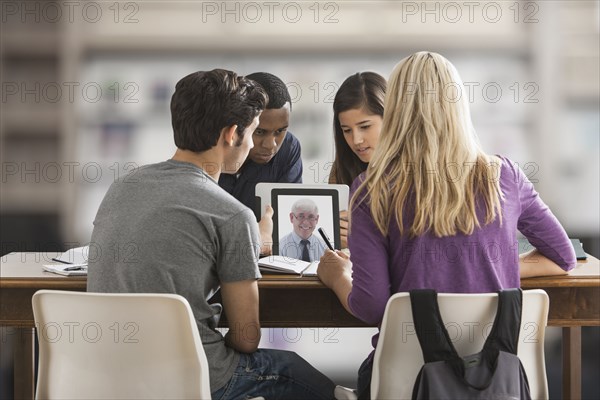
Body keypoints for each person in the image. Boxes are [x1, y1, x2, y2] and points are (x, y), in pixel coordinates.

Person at [317, 52, 577, 399]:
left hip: (409, 382)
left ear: (394, 111)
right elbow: (563, 257)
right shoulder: (506, 176)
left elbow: (373, 305)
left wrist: (337, 277)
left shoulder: (371, 189)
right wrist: (485, 262)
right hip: (498, 379)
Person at [88, 69, 335, 400]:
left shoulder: (120, 187)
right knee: (296, 374)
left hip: (107, 376)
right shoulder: (232, 214)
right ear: (232, 134)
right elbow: (246, 338)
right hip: (193, 377)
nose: (256, 145)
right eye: (252, 133)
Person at [219, 72, 302, 215]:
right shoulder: (213, 146)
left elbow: (288, 219)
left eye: (280, 131)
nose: (270, 145)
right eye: (259, 132)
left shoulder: (289, 147)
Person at [328, 72, 386, 248]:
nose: (356, 140)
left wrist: (362, 237)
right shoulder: (342, 168)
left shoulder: (413, 168)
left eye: (365, 126)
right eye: (346, 130)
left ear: (391, 118)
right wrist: (337, 237)